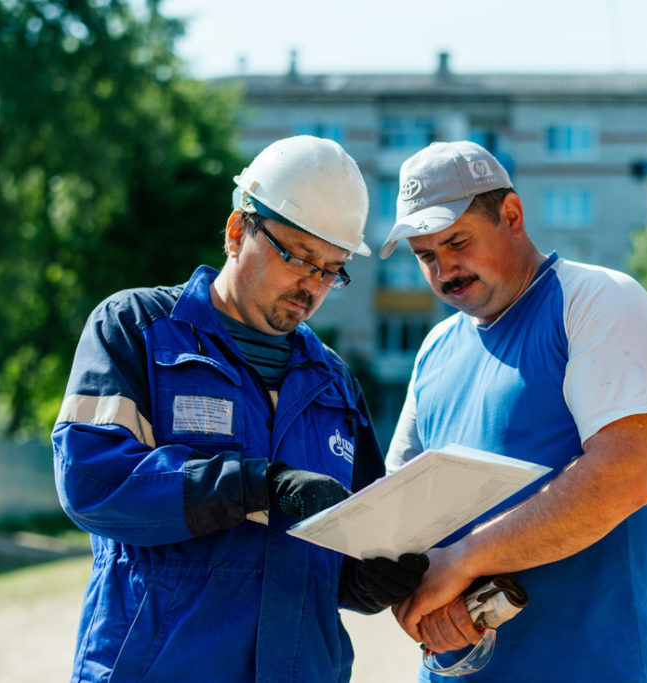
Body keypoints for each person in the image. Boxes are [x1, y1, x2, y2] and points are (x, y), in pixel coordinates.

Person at [52, 135, 427, 683]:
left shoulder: (335, 385)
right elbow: (93, 481)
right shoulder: (137, 329)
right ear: (236, 231)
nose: (312, 285)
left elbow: (350, 542)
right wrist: (257, 486)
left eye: (331, 269)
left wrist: (373, 579)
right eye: (299, 257)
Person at [379, 141, 647, 681]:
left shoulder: (597, 300)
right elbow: (402, 508)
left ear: (511, 216)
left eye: (457, 242)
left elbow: (624, 476)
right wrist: (420, 587)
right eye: (425, 256)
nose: (445, 269)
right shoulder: (435, 349)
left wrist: (464, 560)